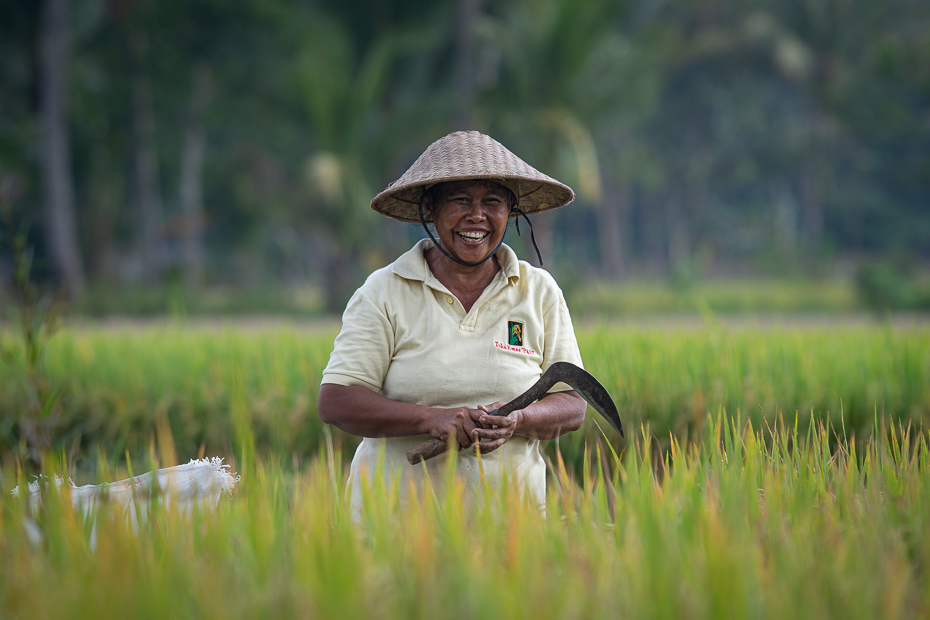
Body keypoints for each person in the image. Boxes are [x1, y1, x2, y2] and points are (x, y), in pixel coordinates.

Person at [318, 130, 586, 514]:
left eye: (492, 201)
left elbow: (574, 404)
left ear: (510, 212)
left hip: (514, 534)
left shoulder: (537, 291)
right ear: (431, 209)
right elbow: (336, 401)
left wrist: (520, 418)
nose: (476, 216)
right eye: (461, 200)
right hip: (392, 528)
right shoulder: (384, 291)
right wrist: (430, 419)